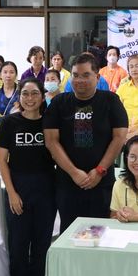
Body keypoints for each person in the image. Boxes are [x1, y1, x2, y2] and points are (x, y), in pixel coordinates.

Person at [44, 53, 129, 233]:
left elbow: (119, 137)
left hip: (101, 183)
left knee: (101, 234)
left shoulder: (110, 101)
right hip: (68, 183)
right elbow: (51, 141)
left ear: (97, 77)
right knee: (70, 234)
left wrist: (99, 170)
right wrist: (74, 172)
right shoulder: (59, 103)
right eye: (75, 75)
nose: (79, 80)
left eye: (85, 75)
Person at [0, 78, 56, 276]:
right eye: (25, 94)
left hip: (46, 189)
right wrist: (12, 193)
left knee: (42, 242)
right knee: (18, 242)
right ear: (19, 97)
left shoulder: (50, 122)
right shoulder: (10, 122)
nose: (29, 98)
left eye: (34, 93)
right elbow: (2, 161)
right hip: (18, 187)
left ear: (42, 96)